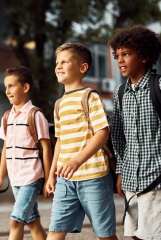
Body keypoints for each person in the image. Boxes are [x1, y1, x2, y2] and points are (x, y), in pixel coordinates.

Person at [108, 25, 161, 240]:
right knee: (134, 233)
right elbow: (118, 137)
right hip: (130, 175)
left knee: (150, 234)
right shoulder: (120, 93)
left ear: (144, 56)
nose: (120, 60)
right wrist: (120, 171)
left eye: (126, 54)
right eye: (117, 55)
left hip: (158, 174)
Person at [46, 43, 117, 240]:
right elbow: (59, 141)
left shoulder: (90, 97)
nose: (58, 66)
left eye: (65, 62)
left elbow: (102, 133)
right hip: (65, 180)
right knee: (54, 232)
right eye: (57, 62)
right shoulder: (59, 104)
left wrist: (77, 161)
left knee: (105, 234)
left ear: (82, 68)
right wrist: (52, 175)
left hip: (93, 176)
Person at [0, 66, 52, 240]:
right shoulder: (7, 117)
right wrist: (0, 176)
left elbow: (47, 148)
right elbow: (6, 148)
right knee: (32, 222)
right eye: (6, 87)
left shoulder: (35, 115)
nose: (7, 91)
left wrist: (49, 179)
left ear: (25, 87)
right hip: (15, 178)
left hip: (31, 177)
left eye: (11, 86)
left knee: (15, 221)